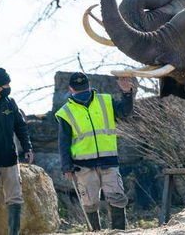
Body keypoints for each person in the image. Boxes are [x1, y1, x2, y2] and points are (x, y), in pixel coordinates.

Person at [55, 72, 135, 231]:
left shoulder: (105, 101)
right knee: (93, 203)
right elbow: (64, 142)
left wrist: (127, 93)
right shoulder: (66, 112)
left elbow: (63, 143)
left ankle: (118, 233)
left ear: (71, 89)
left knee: (112, 199)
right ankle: (96, 233)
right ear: (89, 85)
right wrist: (67, 166)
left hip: (106, 162)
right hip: (84, 166)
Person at [0, 68, 33, 235]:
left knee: (15, 198)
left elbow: (21, 126)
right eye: (6, 84)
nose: (9, 87)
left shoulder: (10, 103)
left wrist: (28, 147)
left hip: (10, 158)